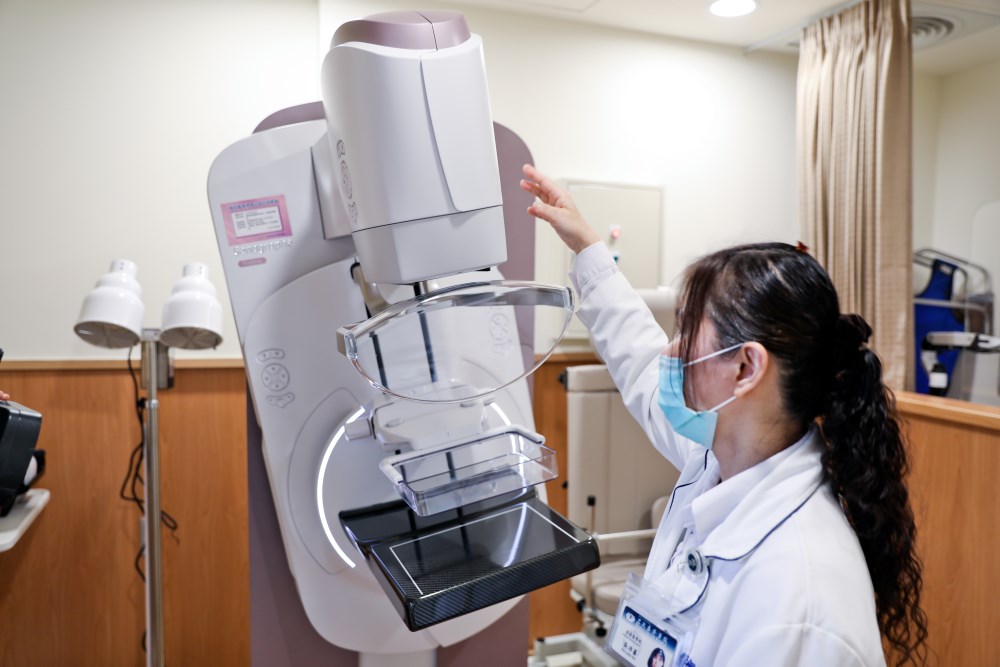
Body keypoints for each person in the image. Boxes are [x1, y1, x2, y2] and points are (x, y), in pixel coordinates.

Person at [520, 164, 928, 666]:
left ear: (746, 368)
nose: (670, 351)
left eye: (688, 332)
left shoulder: (799, 599)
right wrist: (587, 248)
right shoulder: (721, 454)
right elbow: (639, 362)